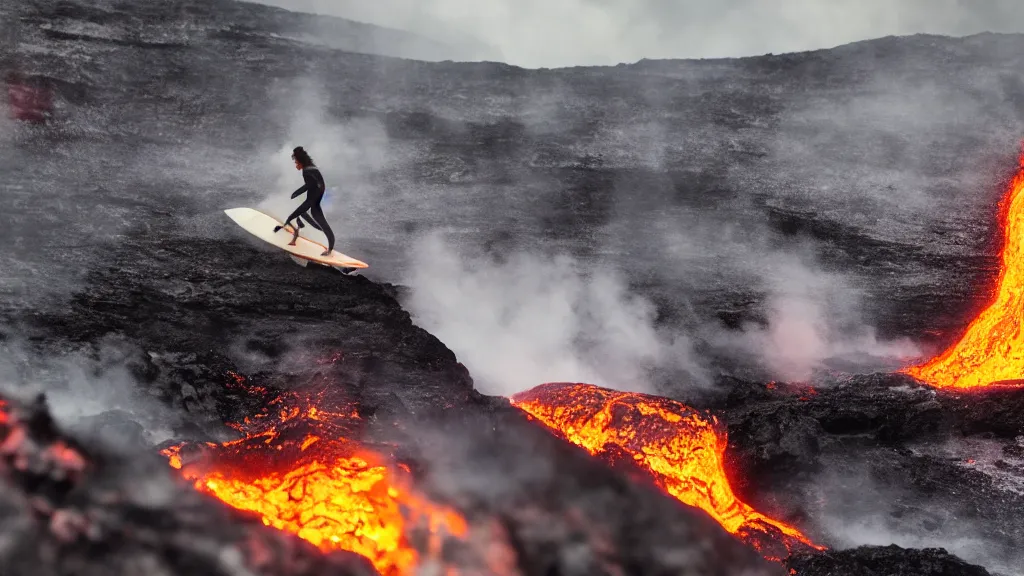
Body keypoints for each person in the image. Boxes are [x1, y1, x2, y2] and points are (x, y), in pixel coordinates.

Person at [274, 146, 335, 256]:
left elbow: (310, 185)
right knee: (310, 217)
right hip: (317, 196)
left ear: (302, 162)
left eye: (297, 163)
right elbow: (314, 184)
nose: (296, 165)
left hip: (313, 198)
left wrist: (296, 193)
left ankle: (293, 231)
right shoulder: (311, 168)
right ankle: (327, 247)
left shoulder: (307, 171)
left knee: (298, 214)